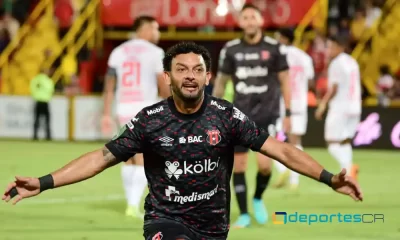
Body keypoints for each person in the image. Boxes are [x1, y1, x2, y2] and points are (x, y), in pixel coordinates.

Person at [3, 42, 363, 240]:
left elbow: (280, 149)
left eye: (197, 70)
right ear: (167, 76)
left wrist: (330, 178)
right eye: (181, 69)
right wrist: (45, 182)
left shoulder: (227, 116)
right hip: (165, 221)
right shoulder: (150, 121)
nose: (189, 76)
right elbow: (101, 157)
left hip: (213, 228)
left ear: (208, 77)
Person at [212, 3, 291, 227]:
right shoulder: (232, 49)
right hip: (238, 116)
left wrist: (289, 111)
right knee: (239, 166)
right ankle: (244, 213)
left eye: (252, 17)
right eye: (244, 17)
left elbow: (285, 80)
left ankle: (257, 198)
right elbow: (221, 82)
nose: (248, 21)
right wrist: (213, 110)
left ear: (260, 20)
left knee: (265, 166)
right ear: (240, 22)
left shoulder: (275, 48)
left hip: (267, 115)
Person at [101, 15, 170, 219]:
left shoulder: (118, 52)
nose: (157, 33)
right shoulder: (156, 53)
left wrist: (106, 113)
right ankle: (132, 206)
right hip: (144, 108)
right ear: (146, 28)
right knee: (144, 157)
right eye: (156, 29)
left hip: (123, 108)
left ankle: (131, 203)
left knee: (128, 157)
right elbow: (163, 85)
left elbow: (109, 86)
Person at [273, 29, 315, 190]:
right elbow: (311, 82)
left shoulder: (277, 54)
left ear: (283, 38)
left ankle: (283, 169)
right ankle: (294, 181)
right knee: (295, 141)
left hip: (281, 103)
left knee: (271, 139)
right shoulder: (305, 57)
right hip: (300, 103)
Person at [315, 35, 361, 181]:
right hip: (355, 106)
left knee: (331, 142)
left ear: (339, 47)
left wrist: (322, 105)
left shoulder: (336, 63)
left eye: (330, 47)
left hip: (341, 107)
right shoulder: (352, 61)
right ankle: (349, 171)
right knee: (345, 140)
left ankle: (348, 167)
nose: (328, 50)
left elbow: (334, 88)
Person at [29, 69, 55, 140]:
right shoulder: (48, 80)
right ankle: (48, 136)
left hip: (37, 101)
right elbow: (51, 90)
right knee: (47, 120)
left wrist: (36, 95)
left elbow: (31, 89)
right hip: (45, 102)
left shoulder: (34, 80)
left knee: (36, 119)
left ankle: (35, 136)